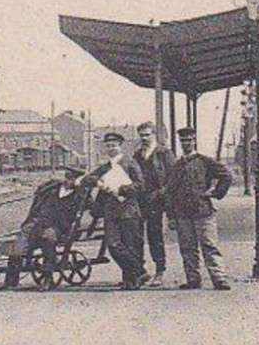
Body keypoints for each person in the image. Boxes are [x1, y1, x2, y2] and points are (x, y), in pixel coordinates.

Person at [164, 126, 233, 291]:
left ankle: (219, 278)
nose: (186, 143)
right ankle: (193, 279)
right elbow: (170, 192)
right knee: (187, 248)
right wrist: (170, 216)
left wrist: (215, 193)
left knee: (209, 245)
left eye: (189, 140)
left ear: (195, 141)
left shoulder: (204, 161)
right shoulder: (176, 166)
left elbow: (226, 175)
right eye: (183, 141)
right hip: (182, 213)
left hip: (203, 211)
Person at [81, 131, 149, 289]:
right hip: (111, 211)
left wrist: (126, 188)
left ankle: (130, 281)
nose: (111, 148)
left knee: (130, 245)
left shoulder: (130, 163)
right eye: (108, 146)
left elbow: (141, 185)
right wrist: (95, 180)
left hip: (128, 210)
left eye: (114, 145)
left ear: (120, 146)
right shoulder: (105, 167)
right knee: (113, 245)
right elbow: (87, 179)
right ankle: (139, 271)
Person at [2, 165, 88, 289]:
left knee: (48, 239)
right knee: (17, 248)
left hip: (57, 227)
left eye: (74, 179)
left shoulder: (80, 195)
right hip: (35, 223)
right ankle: (11, 282)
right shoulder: (52, 188)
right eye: (68, 177)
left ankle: (48, 277)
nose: (70, 181)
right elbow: (38, 196)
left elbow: (92, 207)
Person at [131, 121, 177, 287]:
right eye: (141, 135)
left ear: (154, 135)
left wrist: (161, 193)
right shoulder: (137, 155)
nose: (144, 138)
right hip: (140, 199)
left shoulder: (164, 153)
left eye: (147, 135)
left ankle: (160, 270)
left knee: (154, 235)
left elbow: (172, 178)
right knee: (136, 236)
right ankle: (140, 271)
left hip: (157, 200)